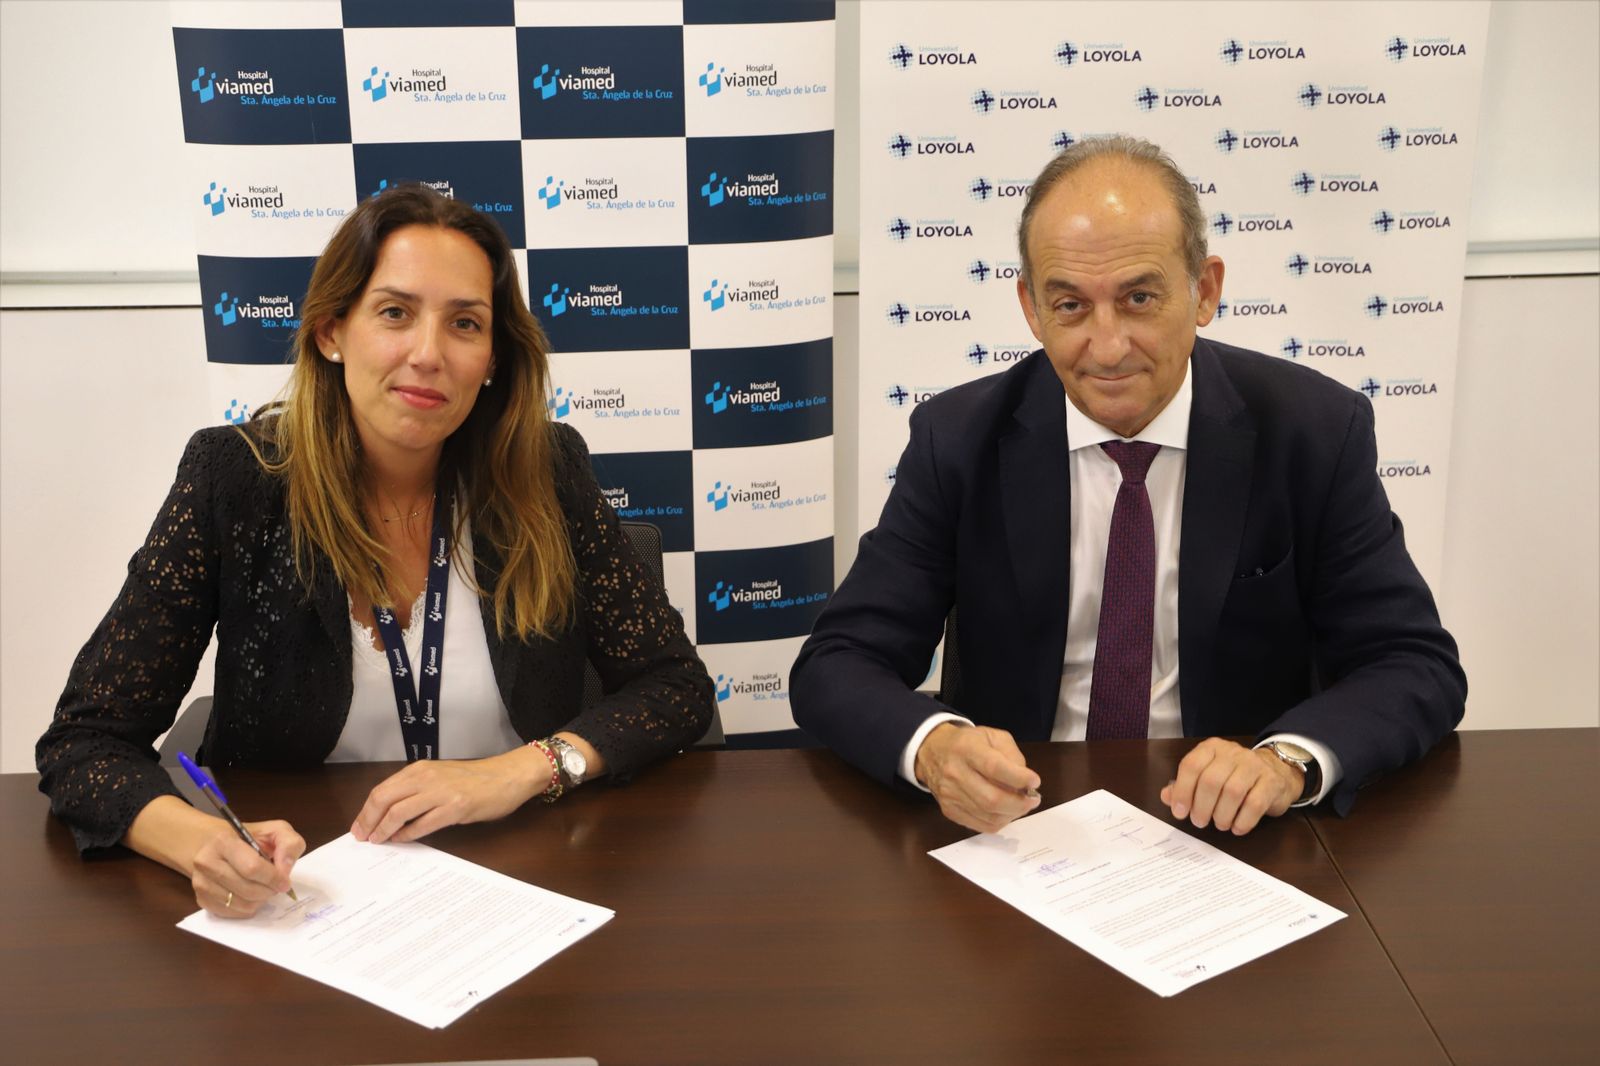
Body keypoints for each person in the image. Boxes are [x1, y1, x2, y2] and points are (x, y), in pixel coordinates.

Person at [37, 184, 715, 917]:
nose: (429, 354)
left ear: (492, 357)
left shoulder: (547, 471)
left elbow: (674, 687)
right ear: (332, 331)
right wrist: (198, 841)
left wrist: (522, 771)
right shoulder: (234, 481)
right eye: (395, 313)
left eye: (465, 323)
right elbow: (86, 740)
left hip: (521, 876)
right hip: (305, 896)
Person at [791, 136, 1465, 837]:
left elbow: (1412, 663)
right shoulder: (958, 438)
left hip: (1232, 833)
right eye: (1071, 306)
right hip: (1019, 828)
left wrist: (1284, 762)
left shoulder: (1314, 431)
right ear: (1031, 307)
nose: (1107, 347)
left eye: (1139, 298)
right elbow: (838, 663)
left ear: (1204, 291)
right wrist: (935, 750)